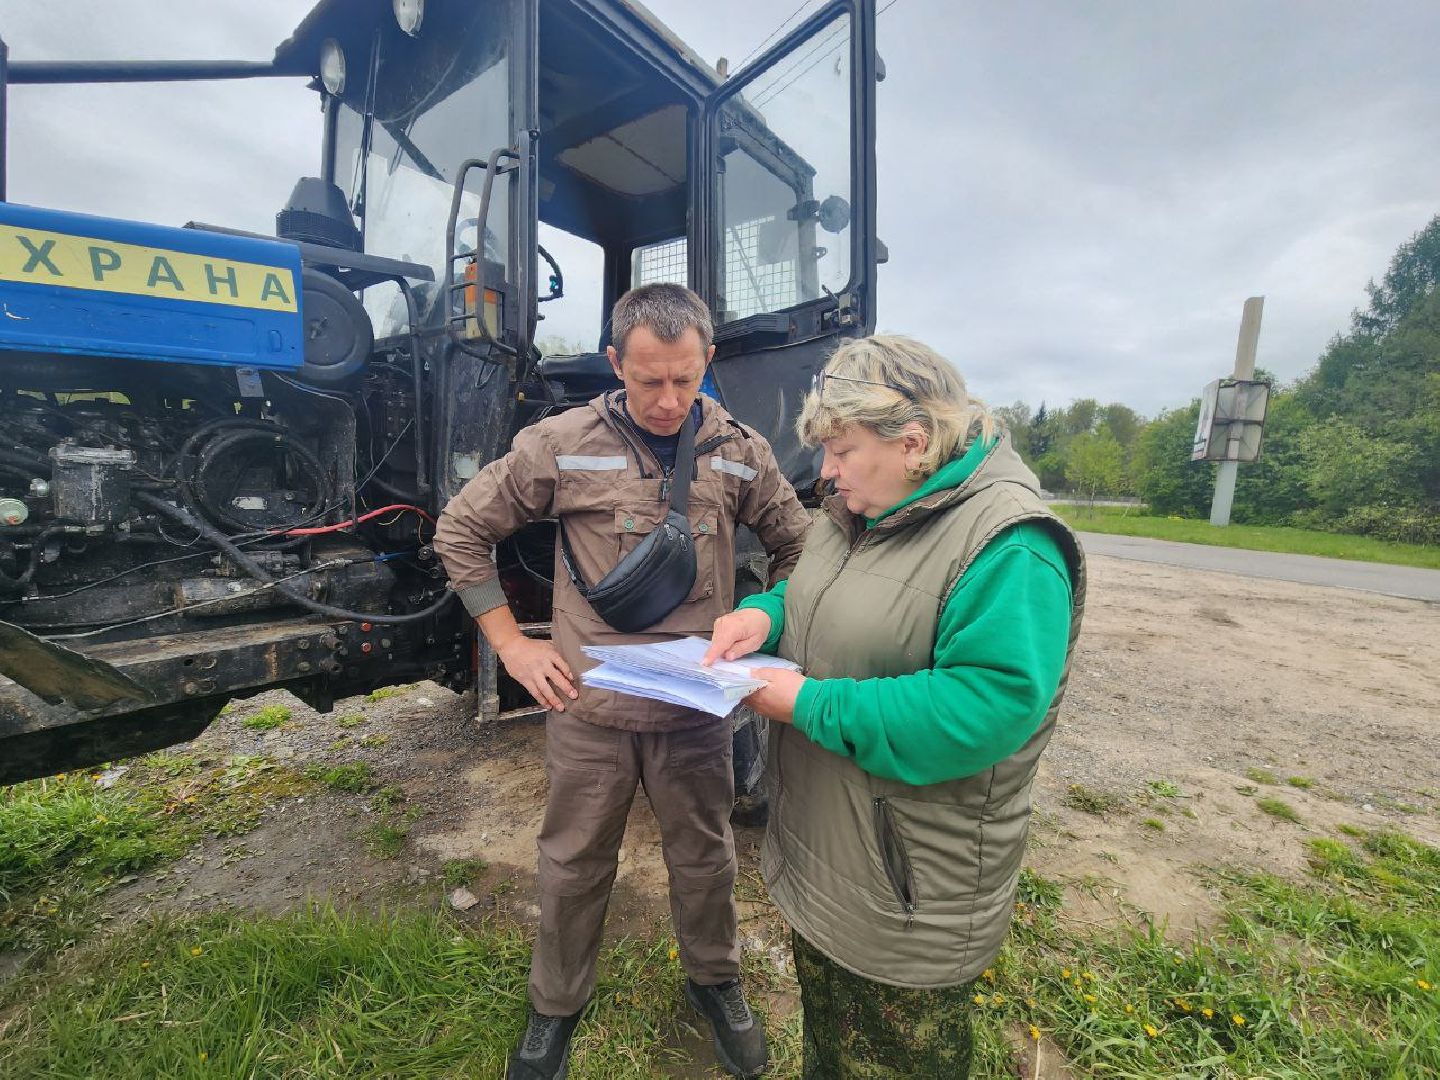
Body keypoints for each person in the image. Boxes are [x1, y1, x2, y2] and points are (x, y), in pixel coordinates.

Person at [434, 283, 810, 1080]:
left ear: (707, 360)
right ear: (615, 364)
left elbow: (800, 551)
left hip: (694, 712)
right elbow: (463, 528)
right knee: (572, 862)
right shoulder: (562, 441)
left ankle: (716, 982)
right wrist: (511, 644)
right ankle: (555, 1007)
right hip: (588, 706)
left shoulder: (743, 450)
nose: (669, 399)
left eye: (685, 378)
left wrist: (765, 619)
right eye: (648, 381)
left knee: (706, 859)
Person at [705, 335, 1085, 1078]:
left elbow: (987, 706)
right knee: (832, 1047)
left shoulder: (1011, 545)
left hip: (903, 892)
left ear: (913, 444)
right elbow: (829, 591)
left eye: (842, 451)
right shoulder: (863, 508)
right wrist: (768, 615)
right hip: (831, 856)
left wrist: (809, 703)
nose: (829, 470)